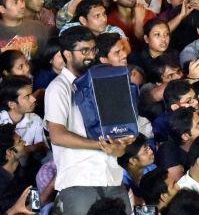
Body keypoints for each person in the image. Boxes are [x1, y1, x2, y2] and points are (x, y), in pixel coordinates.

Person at [45, 26, 134, 215]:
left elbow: (117, 133)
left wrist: (119, 147)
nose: (91, 55)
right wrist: (100, 145)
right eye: (84, 50)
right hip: (79, 181)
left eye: (93, 49)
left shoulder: (103, 81)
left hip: (112, 177)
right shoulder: (58, 88)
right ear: (67, 55)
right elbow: (57, 135)